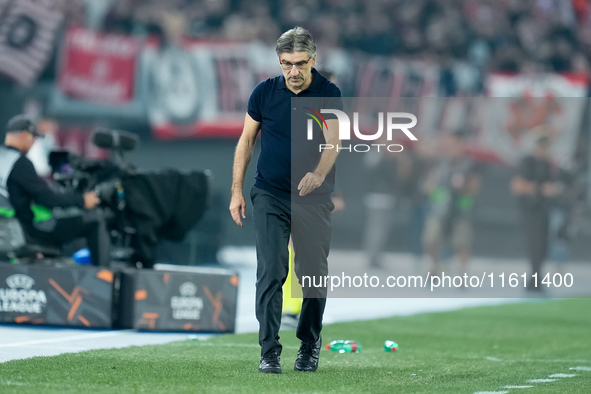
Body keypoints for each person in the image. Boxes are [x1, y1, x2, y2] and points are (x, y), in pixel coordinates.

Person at [229, 27, 341, 374]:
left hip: (313, 197)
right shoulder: (264, 92)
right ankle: (269, 352)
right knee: (272, 271)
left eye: (300, 64)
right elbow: (246, 141)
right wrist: (236, 190)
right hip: (269, 193)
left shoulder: (328, 93)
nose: (293, 72)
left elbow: (333, 141)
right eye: (286, 64)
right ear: (279, 62)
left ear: (313, 60)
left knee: (312, 276)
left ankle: (309, 345)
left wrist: (319, 174)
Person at [0, 115, 110, 266]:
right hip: (25, 231)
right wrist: (82, 200)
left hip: (6, 229)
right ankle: (103, 276)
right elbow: (48, 199)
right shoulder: (20, 163)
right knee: (94, 221)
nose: (33, 144)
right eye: (33, 139)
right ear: (25, 135)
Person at [422, 131, 480, 275]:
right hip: (440, 208)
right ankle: (435, 266)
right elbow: (429, 184)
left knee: (462, 242)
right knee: (430, 239)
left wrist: (462, 190)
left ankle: (462, 271)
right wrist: (437, 193)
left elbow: (475, 186)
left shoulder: (469, 164)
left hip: (461, 208)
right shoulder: (439, 162)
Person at [511, 133, 559, 290]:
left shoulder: (547, 164)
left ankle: (537, 277)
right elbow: (517, 185)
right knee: (534, 244)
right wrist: (540, 189)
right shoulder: (527, 162)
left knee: (543, 245)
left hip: (544, 210)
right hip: (531, 210)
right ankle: (535, 277)